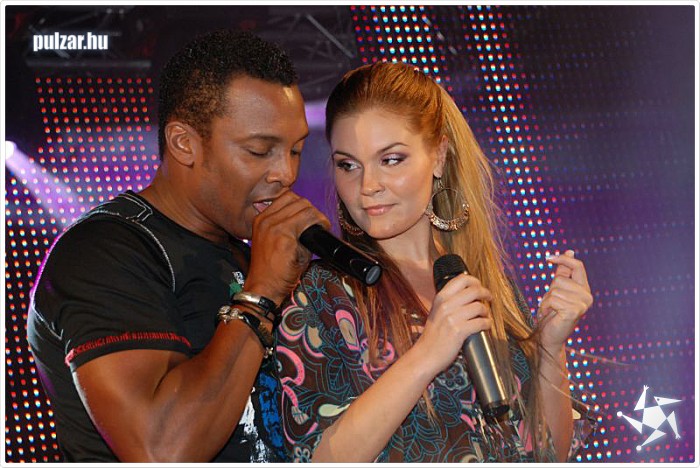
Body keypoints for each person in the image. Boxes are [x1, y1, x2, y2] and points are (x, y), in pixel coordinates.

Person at [26, 30, 329, 462]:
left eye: (296, 150)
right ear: (184, 143)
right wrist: (260, 295)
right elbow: (162, 449)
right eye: (260, 150)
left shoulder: (246, 255)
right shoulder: (105, 253)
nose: (286, 173)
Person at [276, 61, 596, 463]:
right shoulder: (322, 293)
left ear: (439, 156)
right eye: (348, 165)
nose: (368, 185)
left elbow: (548, 455)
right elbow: (318, 458)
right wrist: (428, 352)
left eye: (391, 159)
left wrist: (551, 345)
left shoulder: (481, 284)